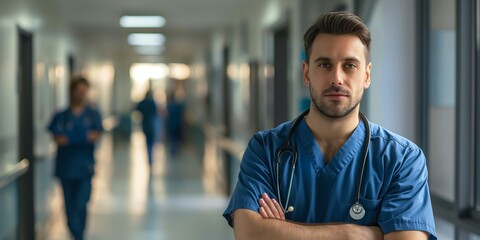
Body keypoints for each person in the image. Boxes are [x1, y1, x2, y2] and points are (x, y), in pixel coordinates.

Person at [223, 11, 437, 240]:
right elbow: (250, 233)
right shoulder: (266, 149)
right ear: (306, 73)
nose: (337, 78)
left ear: (366, 75)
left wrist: (283, 231)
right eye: (325, 64)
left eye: (350, 65)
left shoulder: (401, 159)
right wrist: (351, 233)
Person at [47, 76, 103, 240]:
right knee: (69, 206)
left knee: (81, 203)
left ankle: (79, 235)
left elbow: (95, 135)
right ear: (72, 92)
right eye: (78, 91)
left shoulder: (92, 114)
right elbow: (58, 138)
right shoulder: (61, 116)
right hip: (66, 169)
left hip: (85, 168)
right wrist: (83, 136)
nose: (81, 95)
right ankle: (75, 233)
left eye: (84, 92)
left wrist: (70, 138)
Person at [135, 89, 163, 167]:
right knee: (151, 141)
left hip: (145, 125)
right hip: (151, 125)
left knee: (148, 141)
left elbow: (136, 109)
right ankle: (150, 157)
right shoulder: (152, 103)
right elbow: (156, 112)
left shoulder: (142, 103)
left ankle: (149, 157)